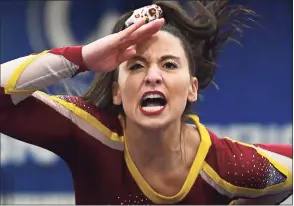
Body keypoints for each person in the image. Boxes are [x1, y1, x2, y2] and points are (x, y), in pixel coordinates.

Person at [0, 1, 292, 205]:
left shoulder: (227, 166)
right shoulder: (89, 133)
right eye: (136, 66)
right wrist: (85, 57)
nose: (153, 76)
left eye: (168, 64)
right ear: (117, 91)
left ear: (192, 89)